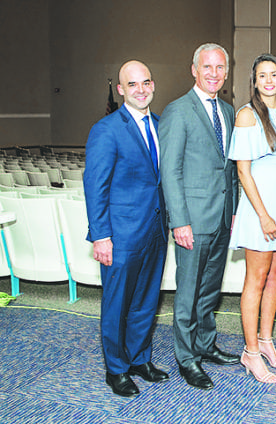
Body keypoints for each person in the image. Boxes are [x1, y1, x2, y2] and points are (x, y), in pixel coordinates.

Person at [84, 60, 169, 397]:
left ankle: (139, 358)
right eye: (132, 84)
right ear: (121, 90)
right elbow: (96, 187)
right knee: (118, 303)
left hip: (155, 232)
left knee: (147, 301)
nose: (141, 89)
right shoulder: (106, 129)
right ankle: (116, 369)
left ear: (153, 84)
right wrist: (101, 236)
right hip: (119, 237)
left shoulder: (161, 126)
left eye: (146, 82)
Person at [159, 43, 239, 391]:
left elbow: (231, 168)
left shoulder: (229, 110)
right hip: (192, 220)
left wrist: (233, 210)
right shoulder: (177, 111)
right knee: (188, 292)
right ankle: (187, 357)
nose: (213, 74)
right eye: (207, 67)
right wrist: (179, 221)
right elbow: (170, 171)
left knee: (209, 290)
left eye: (220, 68)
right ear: (194, 69)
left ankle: (206, 345)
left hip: (221, 218)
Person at [228, 54, 276, 384]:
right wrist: (263, 215)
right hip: (261, 207)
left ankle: (266, 341)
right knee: (256, 280)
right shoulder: (247, 116)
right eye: (263, 75)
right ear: (255, 81)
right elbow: (243, 170)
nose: (269, 80)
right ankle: (250, 352)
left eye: (274, 74)